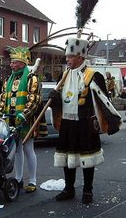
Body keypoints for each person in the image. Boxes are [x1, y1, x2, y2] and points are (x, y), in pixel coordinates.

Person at [48, 37, 122, 204]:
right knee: (67, 158)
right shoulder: (63, 76)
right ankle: (69, 188)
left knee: (87, 159)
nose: (67, 59)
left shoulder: (93, 75)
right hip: (67, 122)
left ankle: (88, 190)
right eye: (66, 57)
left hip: (85, 124)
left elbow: (102, 100)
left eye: (70, 57)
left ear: (80, 58)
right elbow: (62, 100)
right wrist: (55, 100)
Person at [0, 46, 43, 193]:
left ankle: (32, 180)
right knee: (17, 150)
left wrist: (25, 113)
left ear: (22, 63)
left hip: (26, 120)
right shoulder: (9, 79)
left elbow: (34, 99)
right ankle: (19, 178)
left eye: (14, 62)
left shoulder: (31, 78)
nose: (11, 64)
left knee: (28, 149)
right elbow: (3, 98)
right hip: (11, 120)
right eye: (11, 62)